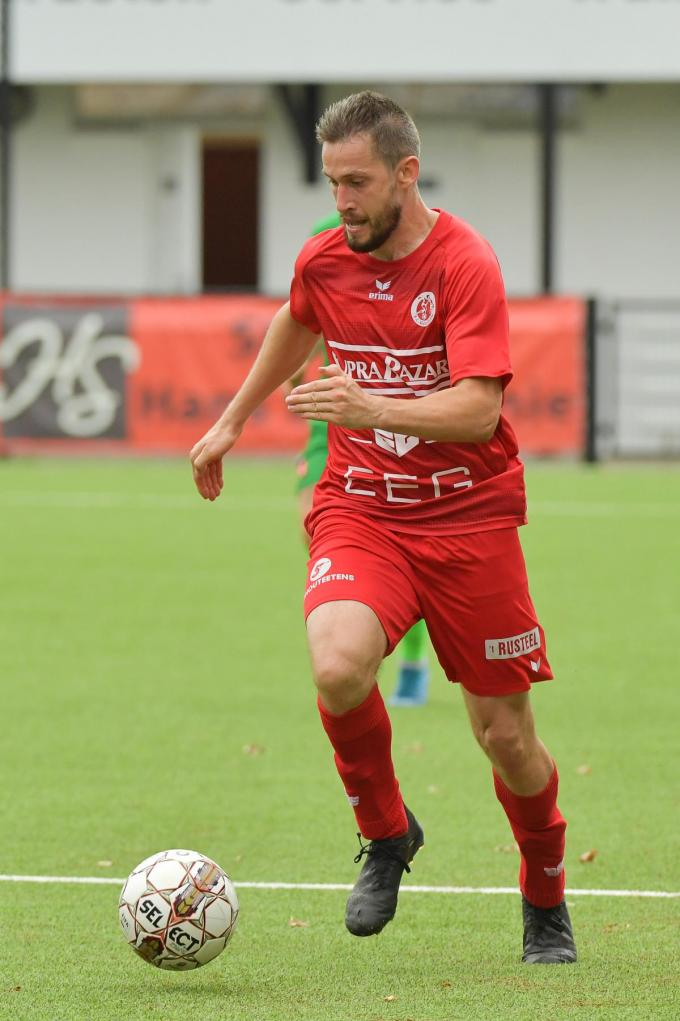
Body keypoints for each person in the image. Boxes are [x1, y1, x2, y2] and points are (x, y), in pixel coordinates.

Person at [190, 91, 576, 964]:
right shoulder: (327, 256)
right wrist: (233, 419)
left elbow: (480, 411)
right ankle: (387, 831)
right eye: (332, 183)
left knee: (506, 737)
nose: (343, 202)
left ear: (407, 172)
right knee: (335, 662)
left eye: (358, 182)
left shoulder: (464, 263)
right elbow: (298, 316)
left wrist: (371, 400)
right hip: (363, 505)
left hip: (470, 517)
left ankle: (545, 893)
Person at [294, 210, 430, 707]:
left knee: (414, 547)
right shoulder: (323, 235)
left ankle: (412, 661)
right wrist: (297, 377)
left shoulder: (422, 237)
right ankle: (350, 654)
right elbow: (305, 314)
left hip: (396, 408)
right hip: (332, 416)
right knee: (317, 532)